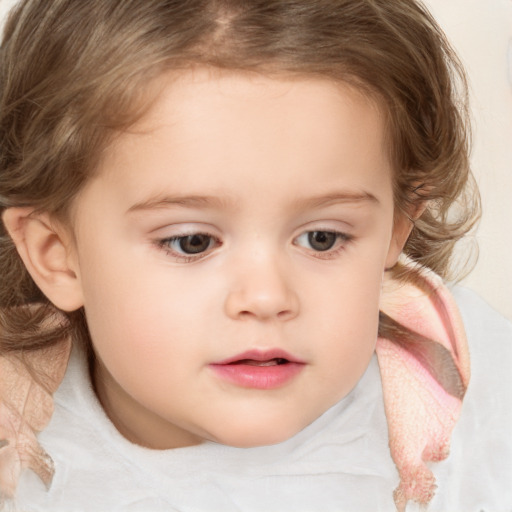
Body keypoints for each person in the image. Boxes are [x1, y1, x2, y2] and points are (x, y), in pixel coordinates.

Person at [0, 0, 510, 511]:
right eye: (192, 242)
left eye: (322, 238)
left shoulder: (473, 387)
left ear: (396, 228)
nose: (266, 297)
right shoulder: (15, 443)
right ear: (57, 255)